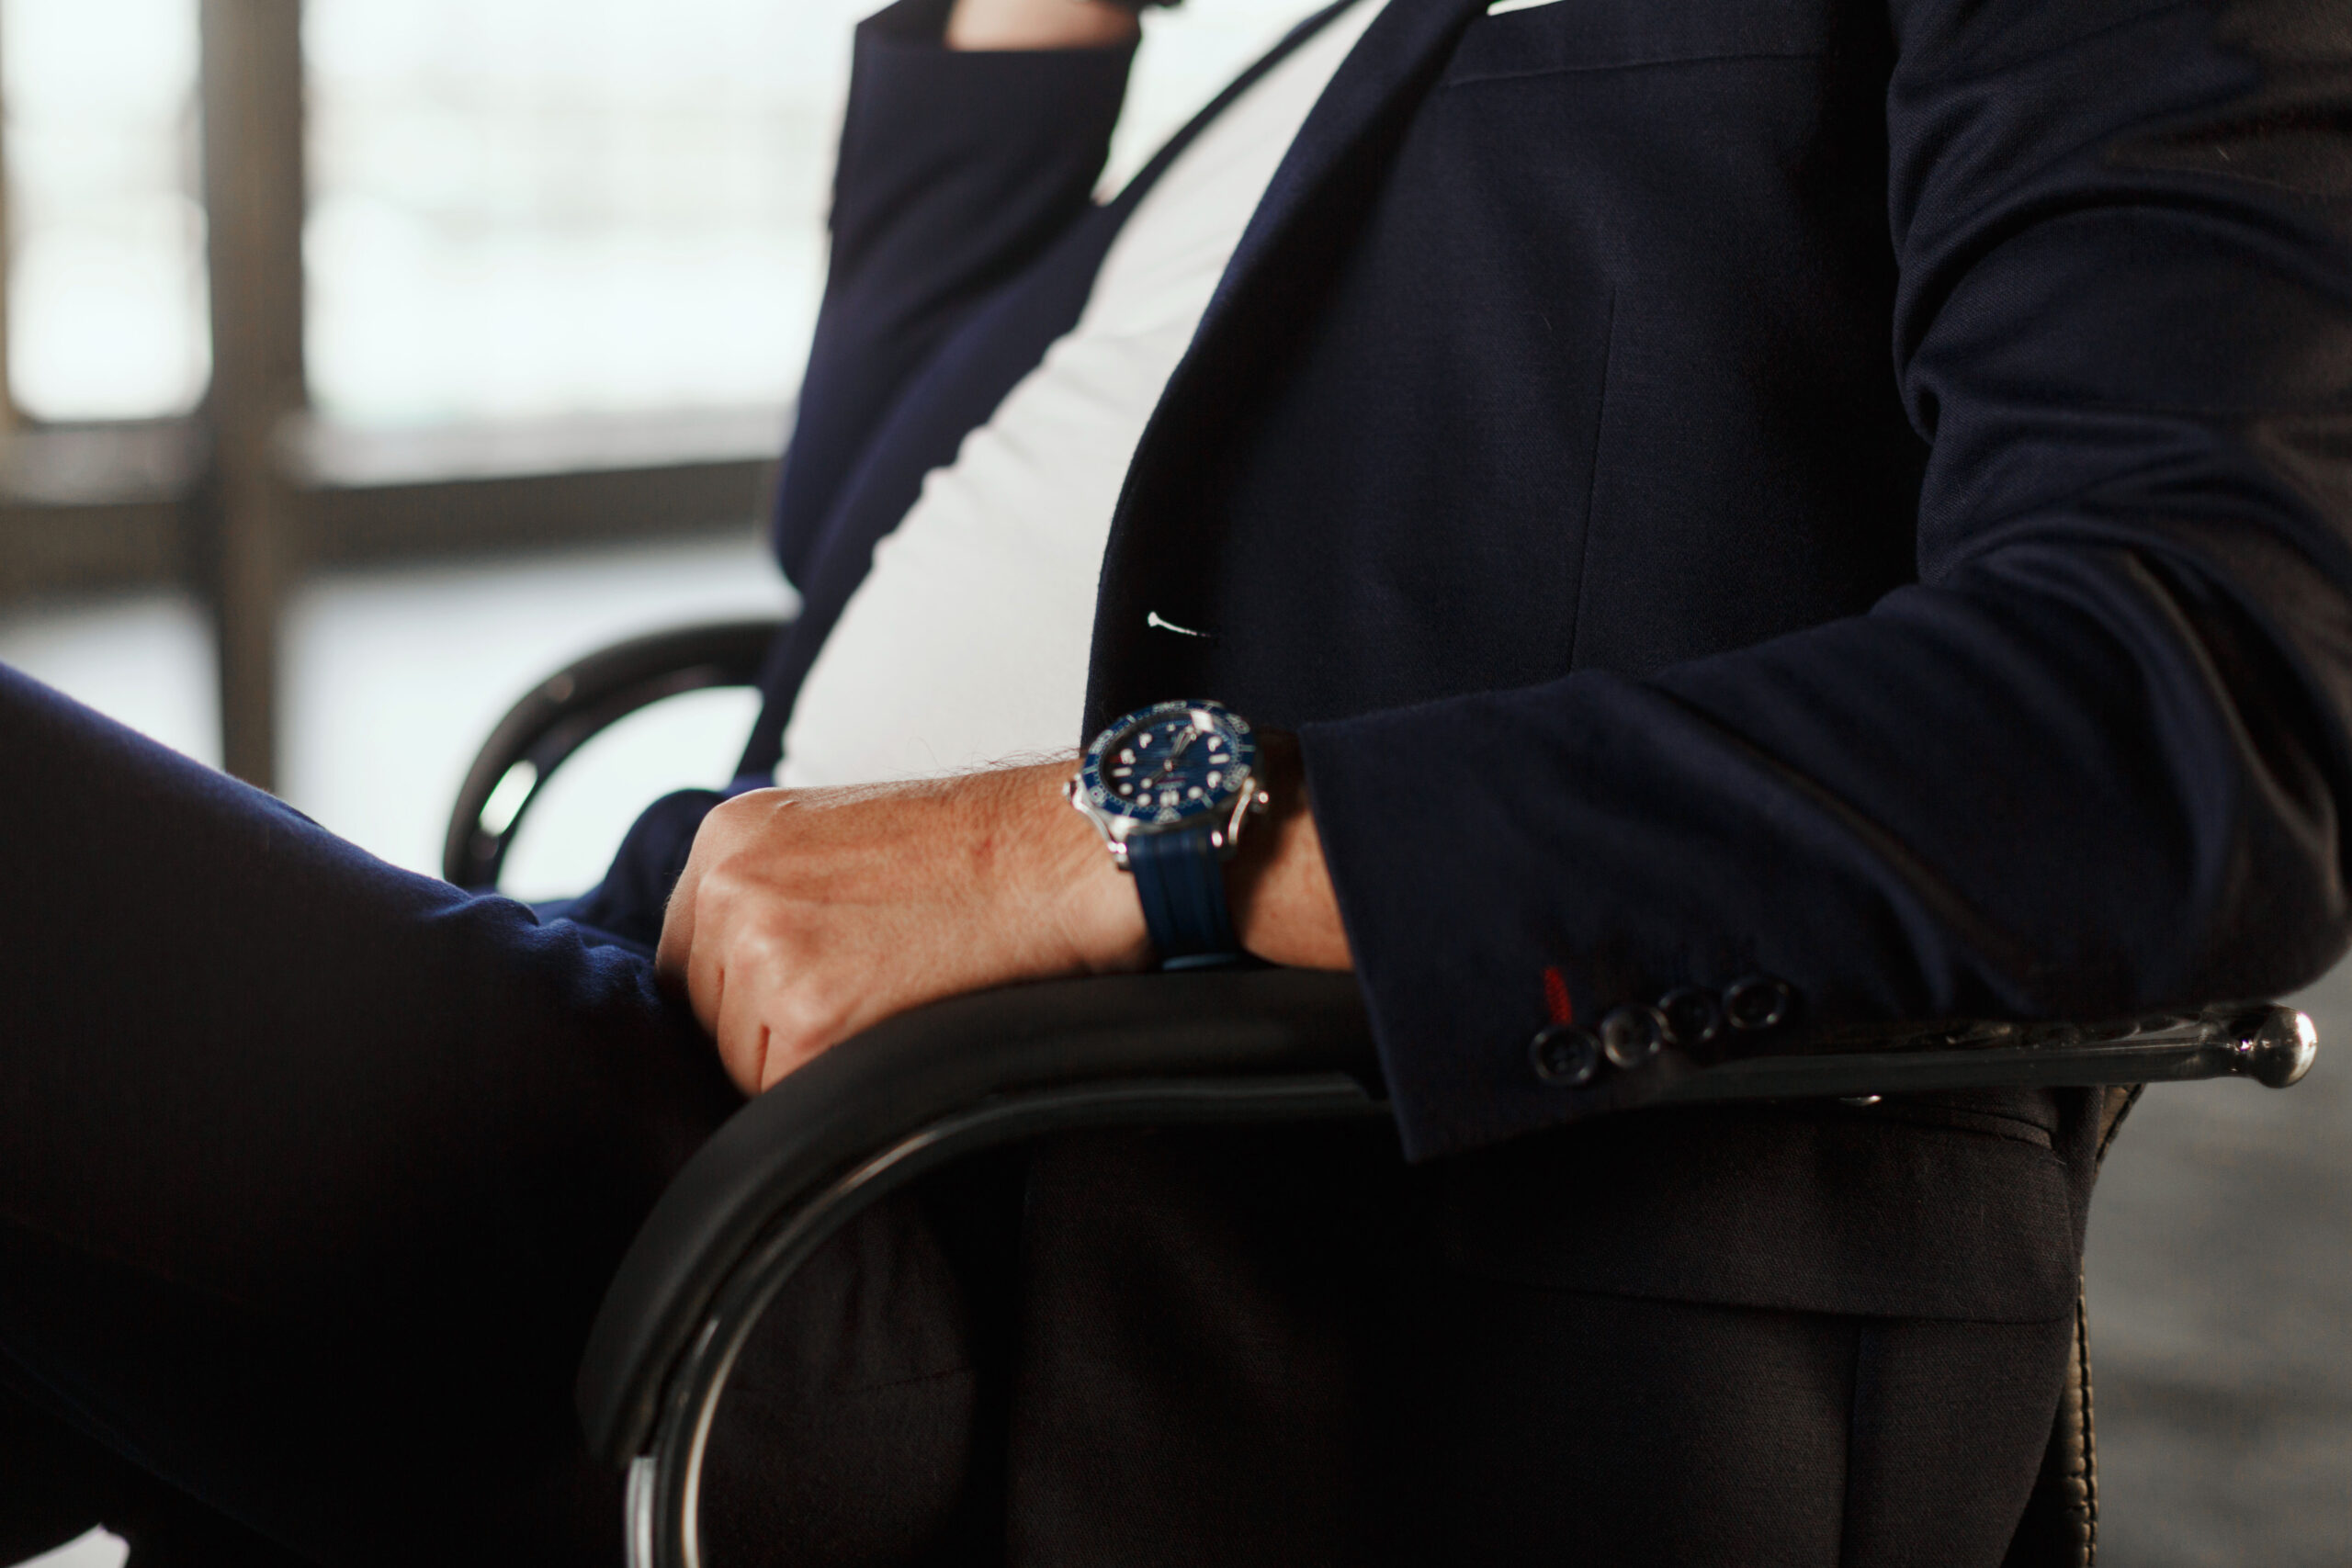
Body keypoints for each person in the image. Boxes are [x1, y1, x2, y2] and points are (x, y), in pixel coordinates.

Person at [4, 0, 2347, 1562]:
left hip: (1164, 1245)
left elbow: (2190, 707)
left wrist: (1125, 834)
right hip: (715, 1061)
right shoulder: (1328, 56)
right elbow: (878, 541)